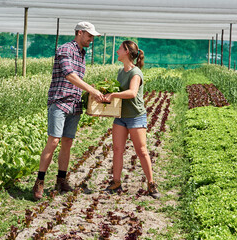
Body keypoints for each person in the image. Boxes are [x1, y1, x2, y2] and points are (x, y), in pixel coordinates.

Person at [33, 22, 104, 200]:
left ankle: (61, 180)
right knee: (54, 141)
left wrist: (92, 92)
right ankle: (40, 181)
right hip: (60, 101)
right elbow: (69, 74)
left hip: (74, 104)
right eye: (89, 35)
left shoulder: (82, 53)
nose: (91, 39)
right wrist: (91, 90)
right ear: (79, 33)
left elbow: (77, 80)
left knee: (67, 142)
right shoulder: (65, 49)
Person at [103, 40, 160, 199]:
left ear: (127, 51)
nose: (117, 51)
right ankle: (116, 183)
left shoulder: (136, 73)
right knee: (117, 150)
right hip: (121, 117)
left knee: (141, 151)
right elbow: (120, 92)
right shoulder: (121, 72)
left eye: (120, 49)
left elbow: (132, 93)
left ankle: (151, 184)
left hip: (135, 117)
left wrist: (113, 95)